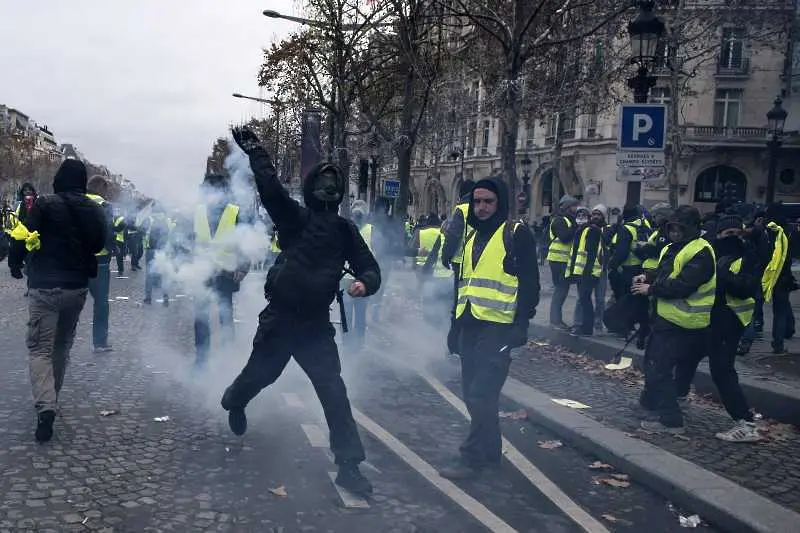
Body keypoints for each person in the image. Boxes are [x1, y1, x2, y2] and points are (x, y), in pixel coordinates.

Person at [221, 127, 380, 497]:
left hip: (314, 327)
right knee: (259, 376)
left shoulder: (345, 230)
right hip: (280, 321)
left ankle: (349, 465)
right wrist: (257, 152)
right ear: (312, 188)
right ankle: (234, 400)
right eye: (322, 181)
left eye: (332, 182)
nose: (328, 187)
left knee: (333, 392)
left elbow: (369, 266)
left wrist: (364, 283)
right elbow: (272, 190)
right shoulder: (294, 219)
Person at [439, 177, 539, 479]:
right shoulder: (470, 239)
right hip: (470, 326)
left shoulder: (516, 233)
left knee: (481, 394)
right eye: (477, 201)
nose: (481, 207)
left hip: (498, 329)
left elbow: (531, 283)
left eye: (488, 201)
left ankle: (471, 458)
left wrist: (521, 324)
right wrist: (454, 328)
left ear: (501, 204)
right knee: (474, 394)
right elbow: (463, 286)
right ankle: (491, 454)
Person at [8, 160, 107, 442]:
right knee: (62, 346)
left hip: (45, 286)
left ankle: (45, 406)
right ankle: (53, 396)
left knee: (40, 348)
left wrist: (16, 264)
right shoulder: (95, 208)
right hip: (76, 287)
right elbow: (100, 244)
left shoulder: (44, 204)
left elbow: (22, 235)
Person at [673, 214, 761, 442]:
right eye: (727, 233)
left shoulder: (747, 256)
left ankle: (746, 422)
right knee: (686, 358)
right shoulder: (711, 253)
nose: (732, 237)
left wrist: (724, 275)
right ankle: (678, 399)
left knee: (721, 370)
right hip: (706, 318)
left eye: (736, 233)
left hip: (730, 321)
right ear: (719, 234)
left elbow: (746, 288)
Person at [632, 206, 715, 434]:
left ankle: (671, 420)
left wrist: (651, 288)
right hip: (667, 318)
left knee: (660, 368)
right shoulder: (672, 247)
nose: (675, 233)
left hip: (684, 321)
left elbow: (683, 285)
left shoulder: (701, 251)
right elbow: (665, 273)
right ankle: (649, 404)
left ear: (692, 228)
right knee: (654, 363)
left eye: (680, 228)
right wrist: (646, 276)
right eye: (672, 228)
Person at [192, 173, 250, 367]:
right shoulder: (197, 212)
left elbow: (246, 242)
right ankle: (201, 359)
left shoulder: (235, 212)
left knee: (225, 316)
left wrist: (243, 268)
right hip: (202, 273)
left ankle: (227, 358)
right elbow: (186, 240)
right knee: (201, 317)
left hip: (226, 273)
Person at [86, 176, 116, 354]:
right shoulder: (105, 206)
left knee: (73, 302)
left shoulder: (77, 202)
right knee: (101, 303)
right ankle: (99, 342)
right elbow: (108, 230)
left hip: (77, 260)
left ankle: (63, 343)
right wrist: (112, 248)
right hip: (100, 261)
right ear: (101, 188)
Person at [342, 203, 375, 352]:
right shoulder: (372, 230)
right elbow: (378, 252)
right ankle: (359, 342)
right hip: (363, 279)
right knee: (360, 313)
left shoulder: (344, 228)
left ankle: (347, 341)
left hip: (346, 278)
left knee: (347, 313)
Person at [567, 207, 603, 336]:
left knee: (585, 300)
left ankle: (586, 328)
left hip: (588, 273)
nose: (580, 218)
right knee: (584, 299)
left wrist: (586, 273)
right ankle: (584, 327)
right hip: (582, 271)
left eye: (584, 215)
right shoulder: (582, 230)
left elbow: (591, 254)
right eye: (579, 215)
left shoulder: (592, 231)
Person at [547, 195, 579, 329]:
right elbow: (565, 237)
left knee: (562, 290)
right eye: (573, 206)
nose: (576, 208)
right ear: (566, 207)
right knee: (561, 290)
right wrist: (577, 227)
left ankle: (556, 320)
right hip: (558, 260)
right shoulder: (559, 220)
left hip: (563, 260)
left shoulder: (568, 220)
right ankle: (555, 321)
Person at [142, 205, 170, 306]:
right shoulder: (166, 220)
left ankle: (148, 298)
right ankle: (166, 299)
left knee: (149, 275)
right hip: (163, 251)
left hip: (151, 250)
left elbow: (141, 230)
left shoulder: (148, 219)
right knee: (164, 274)